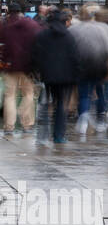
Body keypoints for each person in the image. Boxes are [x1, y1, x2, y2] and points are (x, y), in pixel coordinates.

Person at [70, 4, 108, 137]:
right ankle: (100, 117)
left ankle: (83, 118)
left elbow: (72, 48)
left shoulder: (76, 29)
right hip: (100, 65)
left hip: (82, 66)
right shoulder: (106, 29)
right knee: (99, 90)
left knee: (84, 93)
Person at [32, 10, 80, 145]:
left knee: (46, 103)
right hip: (66, 77)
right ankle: (58, 136)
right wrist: (77, 75)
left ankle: (43, 135)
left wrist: (37, 71)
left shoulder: (42, 35)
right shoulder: (69, 36)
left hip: (47, 76)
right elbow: (75, 57)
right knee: (61, 106)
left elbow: (36, 55)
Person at [1, 7, 41, 137]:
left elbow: (4, 47)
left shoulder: (6, 26)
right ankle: (26, 123)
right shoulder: (31, 26)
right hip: (27, 67)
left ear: (9, 12)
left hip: (10, 66)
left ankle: (9, 126)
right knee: (29, 94)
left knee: (10, 96)